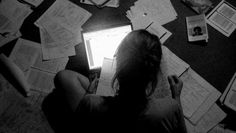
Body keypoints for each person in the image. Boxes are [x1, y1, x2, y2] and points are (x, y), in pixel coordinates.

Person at [53, 30, 187, 133]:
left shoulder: (91, 102)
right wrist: (176, 97)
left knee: (63, 77)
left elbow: (80, 124)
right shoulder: (170, 108)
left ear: (117, 67)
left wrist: (89, 93)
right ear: (153, 76)